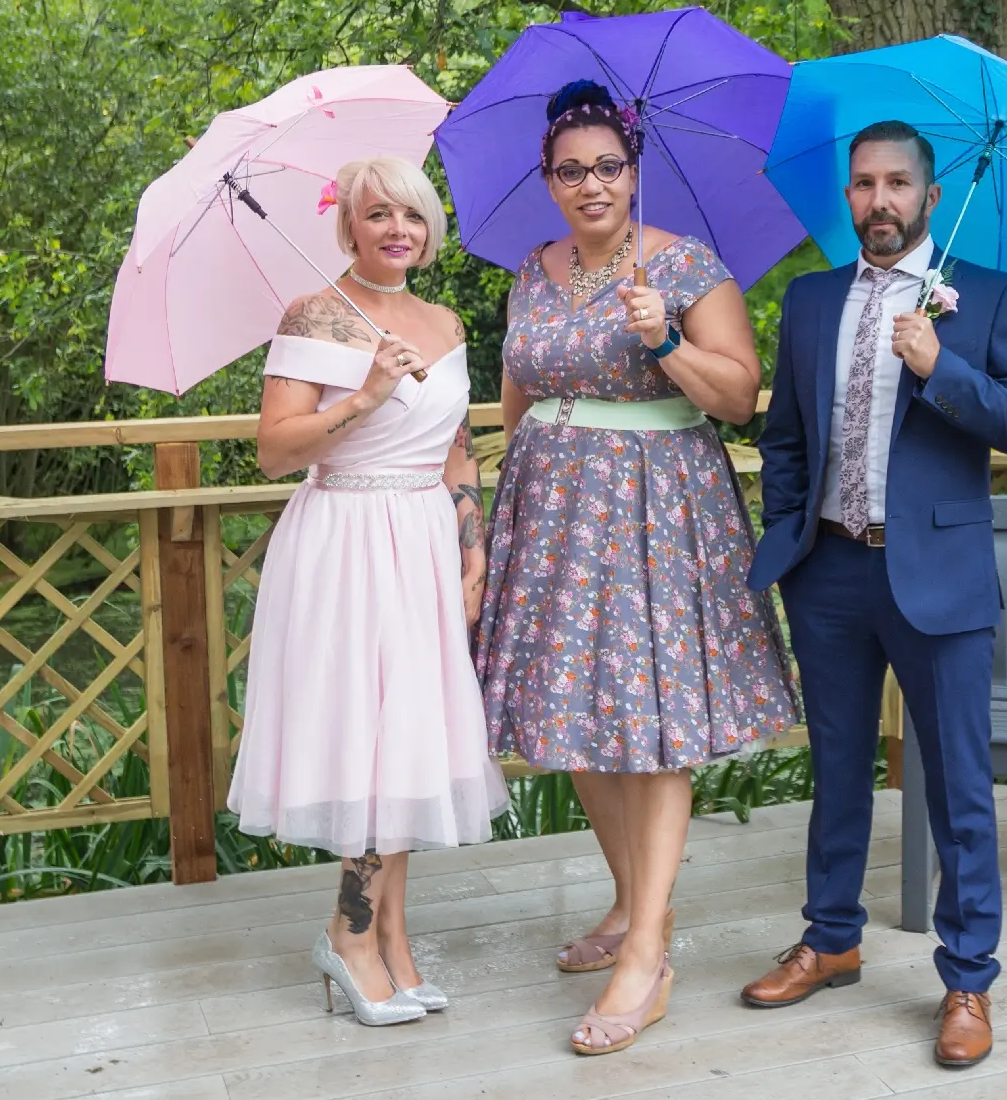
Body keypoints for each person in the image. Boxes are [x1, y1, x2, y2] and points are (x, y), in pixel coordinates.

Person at [475, 80, 799, 1056]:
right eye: (570, 170)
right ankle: (626, 907)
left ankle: (647, 952)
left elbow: (739, 398)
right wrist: (507, 519)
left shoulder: (687, 266)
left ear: (633, 171)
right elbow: (517, 403)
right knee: (571, 721)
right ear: (547, 179)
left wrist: (659, 336)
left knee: (654, 728)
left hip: (657, 517)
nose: (589, 184)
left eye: (606, 167)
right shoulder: (529, 273)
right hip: (552, 522)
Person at [743, 120, 1007, 1068]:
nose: (877, 201)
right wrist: (791, 536)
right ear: (848, 197)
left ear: (927, 193)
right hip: (830, 569)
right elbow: (785, 437)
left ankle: (967, 977)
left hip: (938, 575)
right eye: (861, 185)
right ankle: (830, 935)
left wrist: (940, 366)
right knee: (836, 766)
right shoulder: (807, 300)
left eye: (894, 185)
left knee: (959, 783)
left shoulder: (988, 298)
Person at [227, 155, 508, 1027]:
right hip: (346, 540)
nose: (397, 229)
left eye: (413, 215)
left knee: (412, 736)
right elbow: (275, 449)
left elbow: (457, 448)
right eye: (378, 214)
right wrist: (367, 393)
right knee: (368, 739)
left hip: (424, 538)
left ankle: (392, 938)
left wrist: (472, 552)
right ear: (348, 228)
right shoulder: (313, 316)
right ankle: (348, 937)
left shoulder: (444, 320)